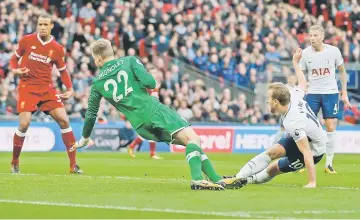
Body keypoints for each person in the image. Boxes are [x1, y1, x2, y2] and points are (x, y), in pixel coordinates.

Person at [69, 38, 246, 190]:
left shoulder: (97, 83)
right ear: (112, 51)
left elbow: (91, 114)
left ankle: (216, 179)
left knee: (190, 141)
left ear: (98, 58)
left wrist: (84, 138)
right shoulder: (129, 61)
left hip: (140, 126)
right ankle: (198, 179)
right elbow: (151, 82)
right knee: (194, 139)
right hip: (154, 111)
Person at [234, 49, 326, 188]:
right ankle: (238, 178)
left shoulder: (292, 122)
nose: (267, 102)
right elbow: (303, 84)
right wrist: (295, 62)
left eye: (269, 99)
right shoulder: (293, 95)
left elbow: (307, 151)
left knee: (273, 168)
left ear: (276, 102)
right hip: (304, 135)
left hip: (315, 151)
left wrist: (312, 182)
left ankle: (248, 180)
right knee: (272, 151)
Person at [8, 13, 82, 174]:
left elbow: (63, 71)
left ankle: (73, 165)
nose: (42, 27)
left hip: (47, 89)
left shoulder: (57, 48)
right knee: (24, 123)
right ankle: (14, 161)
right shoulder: (26, 41)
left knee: (64, 120)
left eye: (45, 25)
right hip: (27, 87)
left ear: (51, 26)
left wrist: (70, 89)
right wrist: (15, 70)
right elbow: (14, 59)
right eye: (40, 24)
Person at [298, 25, 351, 174]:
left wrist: (344, 93)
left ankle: (328, 164)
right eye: (310, 35)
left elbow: (342, 72)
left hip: (330, 93)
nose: (312, 38)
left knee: (330, 125)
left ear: (322, 37)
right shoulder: (306, 54)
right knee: (306, 126)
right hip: (312, 93)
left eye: (315, 35)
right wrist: (302, 89)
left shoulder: (334, 51)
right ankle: (304, 161)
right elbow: (300, 73)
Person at [127, 68, 163, 159]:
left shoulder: (154, 83)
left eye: (156, 72)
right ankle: (133, 147)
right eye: (153, 73)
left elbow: (154, 97)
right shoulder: (147, 83)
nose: (155, 74)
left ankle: (136, 148)